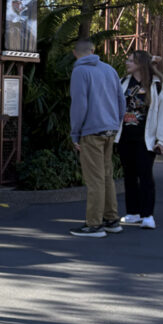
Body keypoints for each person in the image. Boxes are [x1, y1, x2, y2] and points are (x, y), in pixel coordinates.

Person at [69, 39, 126, 237]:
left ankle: (94, 224)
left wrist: (75, 133)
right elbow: (121, 100)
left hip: (91, 131)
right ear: (94, 50)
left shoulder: (79, 72)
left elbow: (79, 106)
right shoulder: (110, 70)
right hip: (110, 129)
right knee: (107, 176)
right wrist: (115, 124)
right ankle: (111, 219)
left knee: (95, 180)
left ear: (75, 53)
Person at [115, 50, 163, 229]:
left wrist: (162, 141)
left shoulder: (158, 86)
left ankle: (147, 215)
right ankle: (133, 213)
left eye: (131, 61)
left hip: (146, 139)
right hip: (125, 137)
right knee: (129, 176)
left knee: (145, 176)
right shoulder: (123, 83)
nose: (127, 63)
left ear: (140, 64)